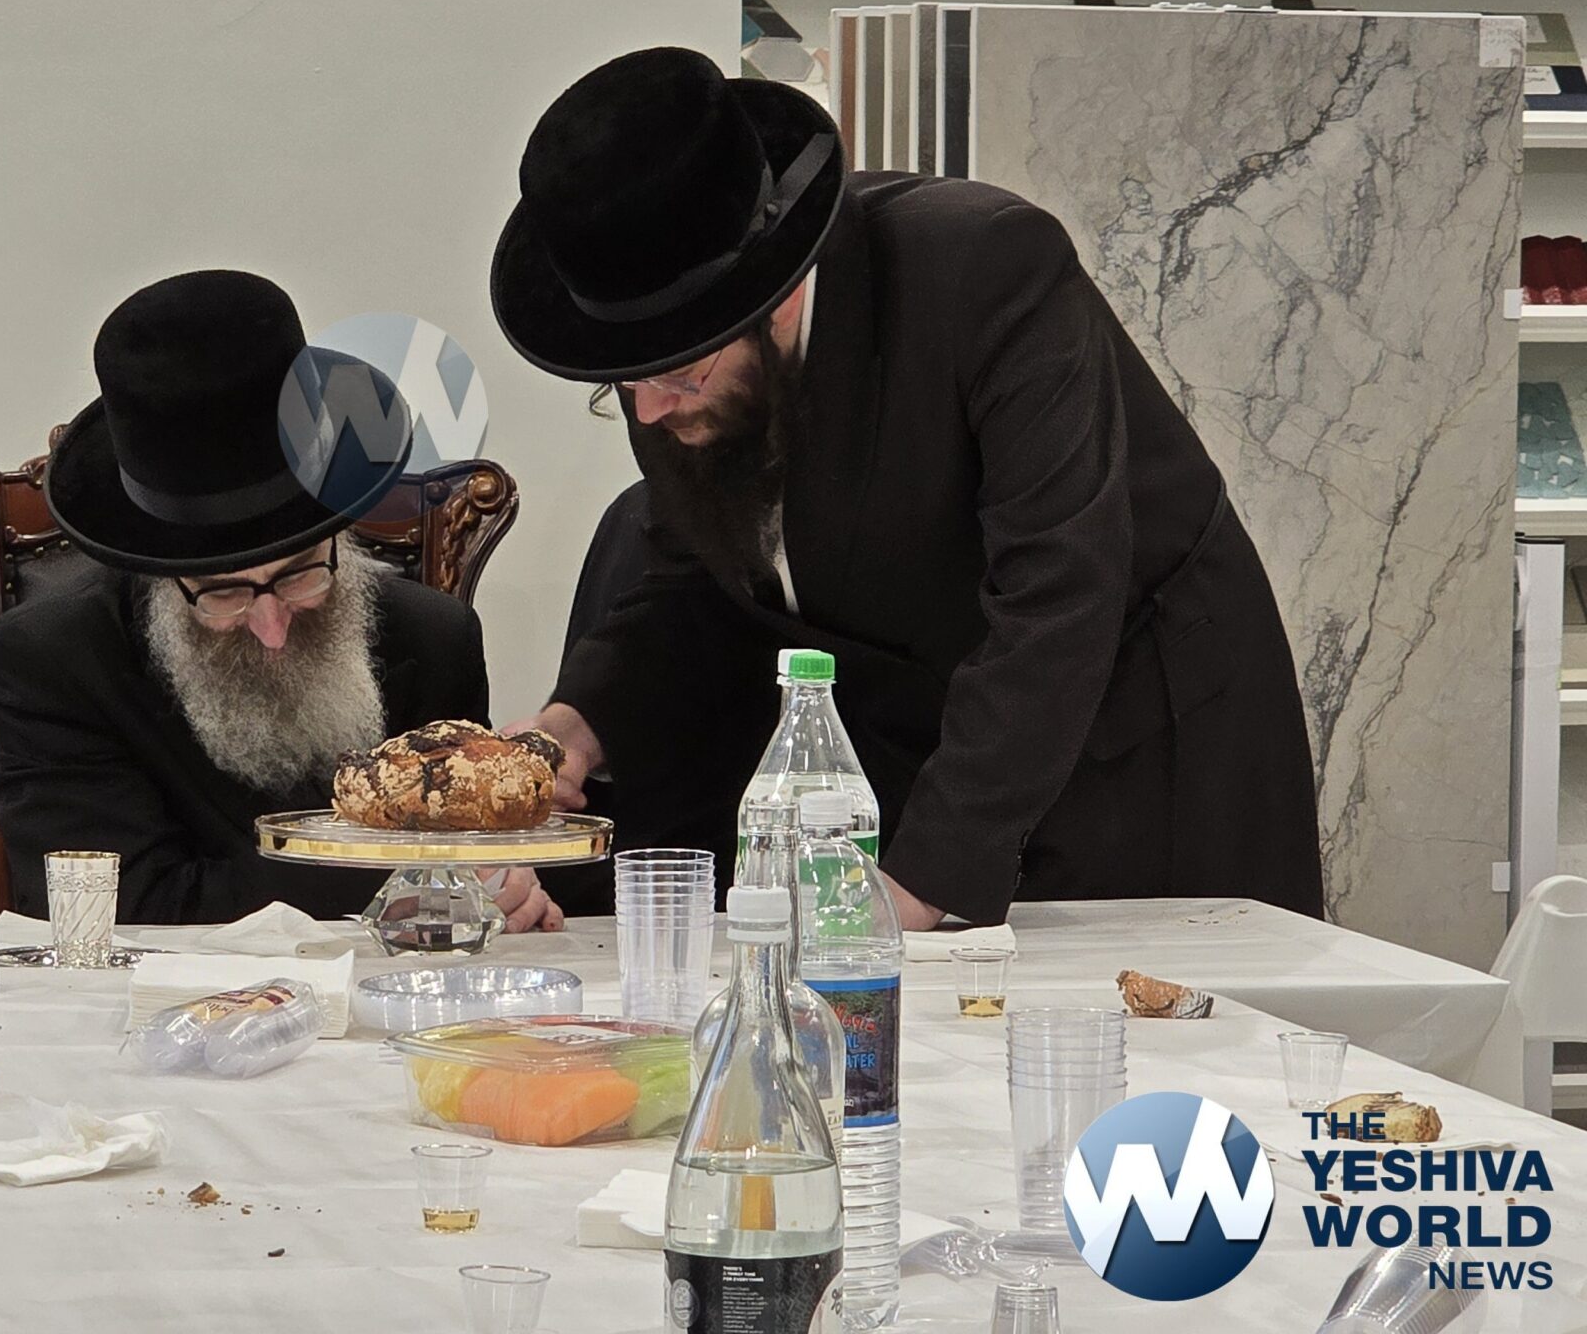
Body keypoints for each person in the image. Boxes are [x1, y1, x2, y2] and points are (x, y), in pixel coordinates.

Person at [490, 46, 1323, 930]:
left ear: (775, 304)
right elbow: (700, 575)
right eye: (623, 381)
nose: (649, 410)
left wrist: (921, 883)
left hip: (1133, 730)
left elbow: (1061, 586)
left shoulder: (986, 271)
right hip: (929, 729)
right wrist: (573, 727)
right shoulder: (666, 367)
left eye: (679, 375)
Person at [0, 269, 561, 930]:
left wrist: (506, 882)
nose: (272, 625)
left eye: (301, 574)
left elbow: (473, 851)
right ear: (164, 575)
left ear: (338, 538)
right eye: (224, 592)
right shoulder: (49, 663)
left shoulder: (435, 639)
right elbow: (113, 906)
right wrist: (405, 882)